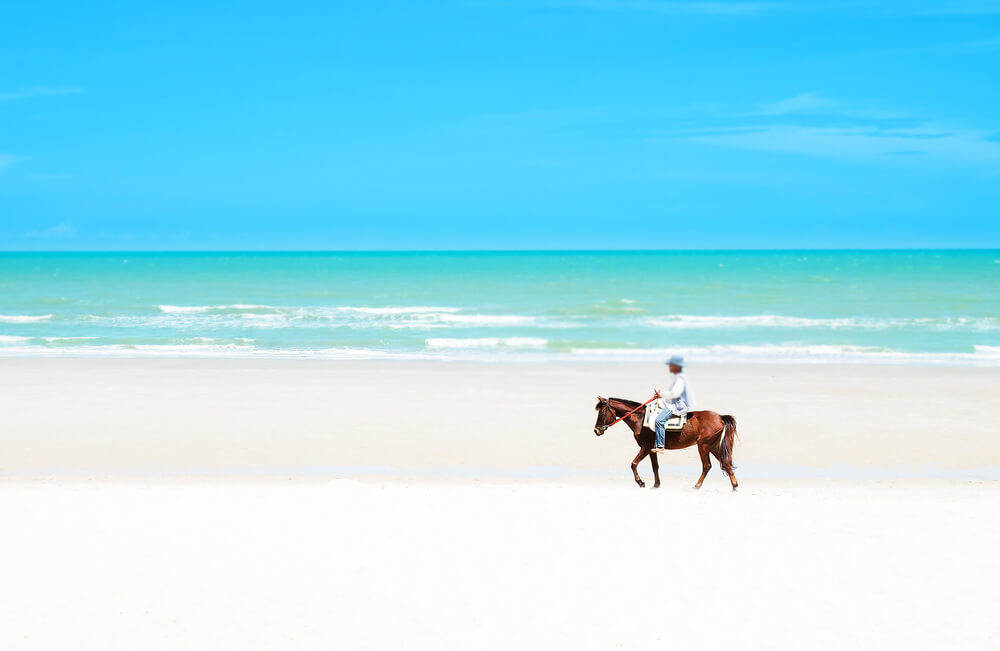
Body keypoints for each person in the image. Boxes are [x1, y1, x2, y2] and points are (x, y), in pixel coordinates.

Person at [651, 355, 694, 454]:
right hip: (674, 401)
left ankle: (660, 446)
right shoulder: (679, 377)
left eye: (671, 365)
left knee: (659, 420)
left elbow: (675, 393)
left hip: (677, 405)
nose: (669, 367)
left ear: (677, 366)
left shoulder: (680, 379)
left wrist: (661, 394)